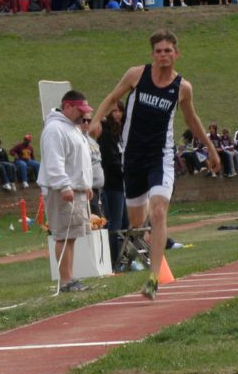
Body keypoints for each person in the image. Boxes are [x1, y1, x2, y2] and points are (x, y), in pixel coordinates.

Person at [90, 29, 220, 300]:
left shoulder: (182, 88)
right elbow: (113, 98)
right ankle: (149, 230)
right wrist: (95, 121)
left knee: (159, 212)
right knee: (137, 223)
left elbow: (191, 120)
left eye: (168, 51)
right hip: (133, 157)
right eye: (159, 51)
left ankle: (153, 276)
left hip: (160, 156)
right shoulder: (136, 75)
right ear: (153, 55)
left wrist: (210, 148)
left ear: (176, 54)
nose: (163, 55)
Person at [37, 90, 94, 293]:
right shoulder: (55, 129)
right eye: (80, 110)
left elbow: (78, 160)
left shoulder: (72, 128)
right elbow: (55, 161)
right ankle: (65, 280)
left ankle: (69, 277)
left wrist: (86, 184)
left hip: (75, 188)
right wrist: (63, 185)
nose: (83, 115)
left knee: (72, 235)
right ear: (67, 106)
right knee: (63, 235)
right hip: (63, 190)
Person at [97, 100, 128, 267]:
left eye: (120, 111)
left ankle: (124, 259)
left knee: (125, 225)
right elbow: (110, 160)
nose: (118, 114)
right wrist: (125, 173)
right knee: (115, 224)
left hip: (122, 184)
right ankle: (114, 261)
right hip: (112, 184)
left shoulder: (119, 132)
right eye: (114, 111)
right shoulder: (105, 133)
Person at [80, 110, 104, 216]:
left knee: (98, 216)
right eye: (83, 120)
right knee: (96, 217)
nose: (86, 123)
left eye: (89, 120)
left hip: (98, 187)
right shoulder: (78, 139)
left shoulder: (91, 140)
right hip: (88, 187)